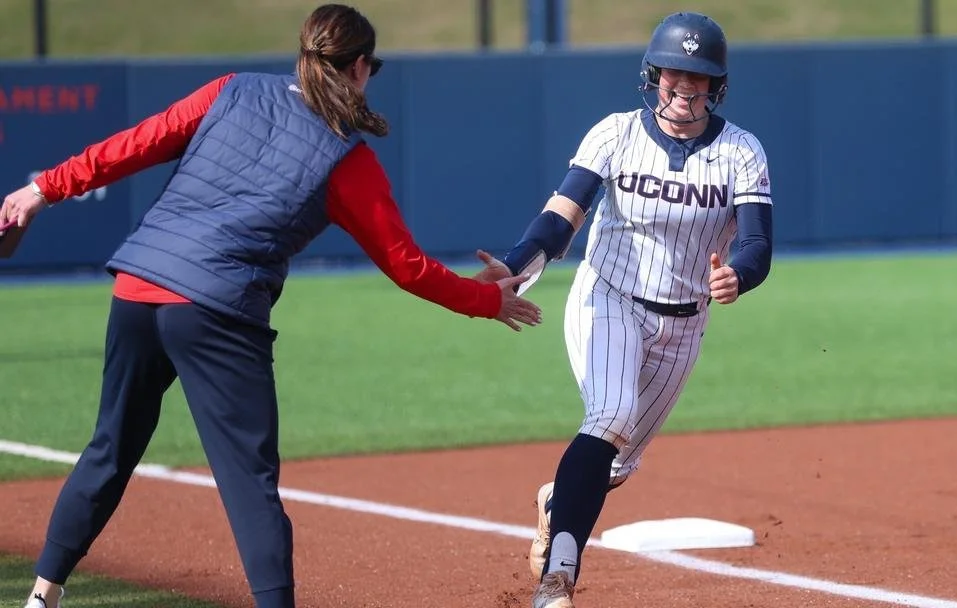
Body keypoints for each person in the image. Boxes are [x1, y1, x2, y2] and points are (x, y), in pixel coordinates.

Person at [1, 5, 542, 608]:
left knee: (109, 449)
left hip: (137, 287)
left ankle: (42, 595)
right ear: (360, 68)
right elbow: (406, 266)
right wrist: (485, 300)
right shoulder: (346, 157)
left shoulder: (231, 90)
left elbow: (134, 145)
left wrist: (41, 189)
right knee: (249, 484)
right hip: (214, 309)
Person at [477, 12, 774, 608]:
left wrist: (737, 276)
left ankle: (555, 503)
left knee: (613, 466)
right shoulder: (614, 133)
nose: (685, 85)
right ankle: (557, 580)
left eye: (699, 76)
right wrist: (518, 263)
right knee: (609, 418)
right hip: (607, 297)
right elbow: (563, 216)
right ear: (653, 74)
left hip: (684, 321)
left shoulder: (742, 151)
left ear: (718, 85)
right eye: (674, 72)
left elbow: (758, 244)